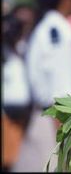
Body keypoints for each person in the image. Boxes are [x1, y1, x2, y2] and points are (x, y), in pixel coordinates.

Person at [2, 13, 32, 171]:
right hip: (10, 105)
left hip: (21, 104)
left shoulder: (23, 47)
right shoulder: (13, 50)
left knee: (15, 149)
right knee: (9, 151)